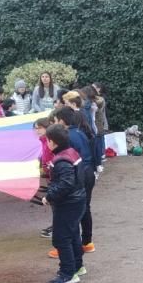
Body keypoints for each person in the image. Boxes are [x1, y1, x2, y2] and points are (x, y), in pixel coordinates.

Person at [41, 124, 87, 283]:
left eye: (47, 140)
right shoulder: (71, 153)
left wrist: (49, 196)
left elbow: (65, 184)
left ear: (52, 142)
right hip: (77, 200)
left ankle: (67, 273)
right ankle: (77, 266)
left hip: (68, 203)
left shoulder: (61, 159)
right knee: (73, 234)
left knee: (61, 238)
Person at [50, 107, 97, 256]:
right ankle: (87, 242)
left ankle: (68, 246)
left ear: (62, 120)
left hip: (78, 173)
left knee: (71, 211)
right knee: (84, 208)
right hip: (88, 170)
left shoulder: (67, 137)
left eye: (56, 120)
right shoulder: (79, 132)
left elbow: (67, 160)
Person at [34, 118, 54, 239]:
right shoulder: (43, 141)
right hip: (49, 176)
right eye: (36, 128)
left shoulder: (50, 142)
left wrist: (46, 170)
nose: (37, 131)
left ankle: (58, 228)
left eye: (39, 128)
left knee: (57, 203)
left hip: (53, 176)